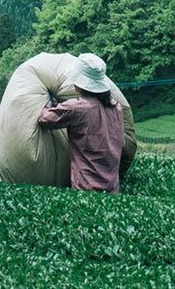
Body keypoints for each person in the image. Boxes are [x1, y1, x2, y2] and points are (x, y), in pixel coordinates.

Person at [38, 53, 125, 194]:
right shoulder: (116, 108)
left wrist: (49, 103)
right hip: (112, 187)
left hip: (86, 187)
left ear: (80, 83)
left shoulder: (76, 108)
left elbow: (45, 119)